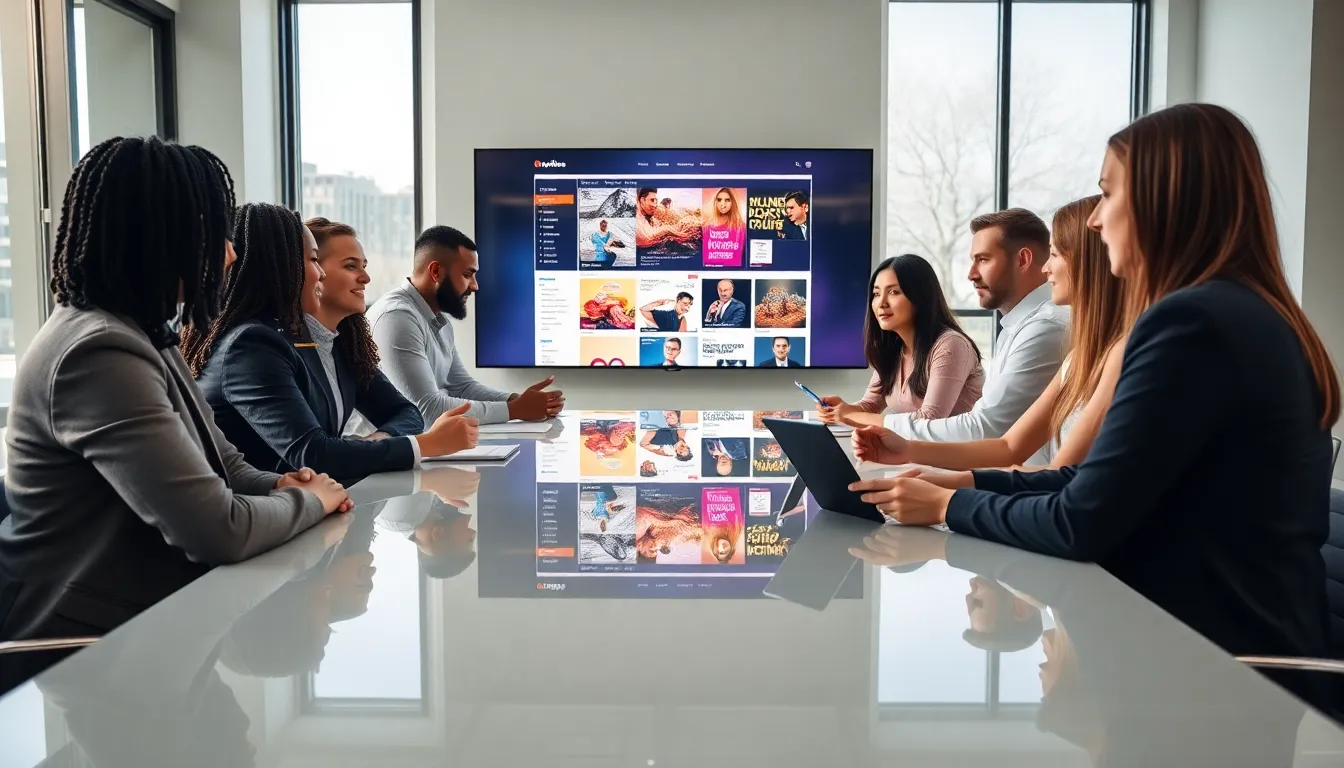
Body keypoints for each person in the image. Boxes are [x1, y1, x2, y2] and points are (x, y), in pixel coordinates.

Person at [850, 103, 1340, 677]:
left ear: (1164, 201)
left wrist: (949, 504)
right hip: (1220, 647)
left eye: (1107, 194)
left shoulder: (1193, 324)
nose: (1093, 220)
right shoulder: (1241, 314)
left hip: (1215, 670)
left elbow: (1080, 522)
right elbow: (1091, 484)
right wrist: (958, 482)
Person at [0, 137, 351, 646]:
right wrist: (312, 501)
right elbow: (219, 530)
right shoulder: (96, 352)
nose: (231, 254)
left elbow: (224, 465)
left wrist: (279, 485)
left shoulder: (141, 333)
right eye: (216, 233)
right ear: (161, 236)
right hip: (81, 646)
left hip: (139, 621)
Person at [183, 206, 479, 482]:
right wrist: (425, 444)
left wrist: (370, 443)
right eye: (313, 260)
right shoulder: (252, 345)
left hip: (307, 507)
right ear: (282, 268)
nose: (365, 277)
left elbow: (407, 413)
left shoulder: (339, 343)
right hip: (265, 517)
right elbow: (315, 455)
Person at [851, 196, 1129, 470]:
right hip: (1020, 487)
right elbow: (1017, 451)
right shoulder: (1034, 334)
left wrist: (937, 485)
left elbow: (990, 432)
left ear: (1022, 260)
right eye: (876, 294)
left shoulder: (1047, 328)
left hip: (1027, 494)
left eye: (983, 260)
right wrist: (916, 461)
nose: (971, 274)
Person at [368, 225, 564, 425]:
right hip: (385, 451)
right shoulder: (397, 317)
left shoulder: (438, 319)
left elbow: (462, 386)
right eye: (468, 274)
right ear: (436, 271)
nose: (475, 286)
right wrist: (514, 410)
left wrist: (516, 400)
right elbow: (426, 410)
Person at [819, 254, 985, 426]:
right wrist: (841, 409)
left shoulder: (951, 345)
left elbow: (930, 419)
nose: (881, 303)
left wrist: (851, 416)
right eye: (876, 294)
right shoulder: (893, 348)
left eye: (893, 292)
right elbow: (871, 405)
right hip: (914, 451)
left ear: (920, 297)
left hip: (955, 451)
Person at [702, 187, 746, 264]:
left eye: (727, 200)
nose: (723, 204)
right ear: (715, 202)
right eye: (719, 200)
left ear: (733, 202)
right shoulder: (706, 227)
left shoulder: (741, 227)